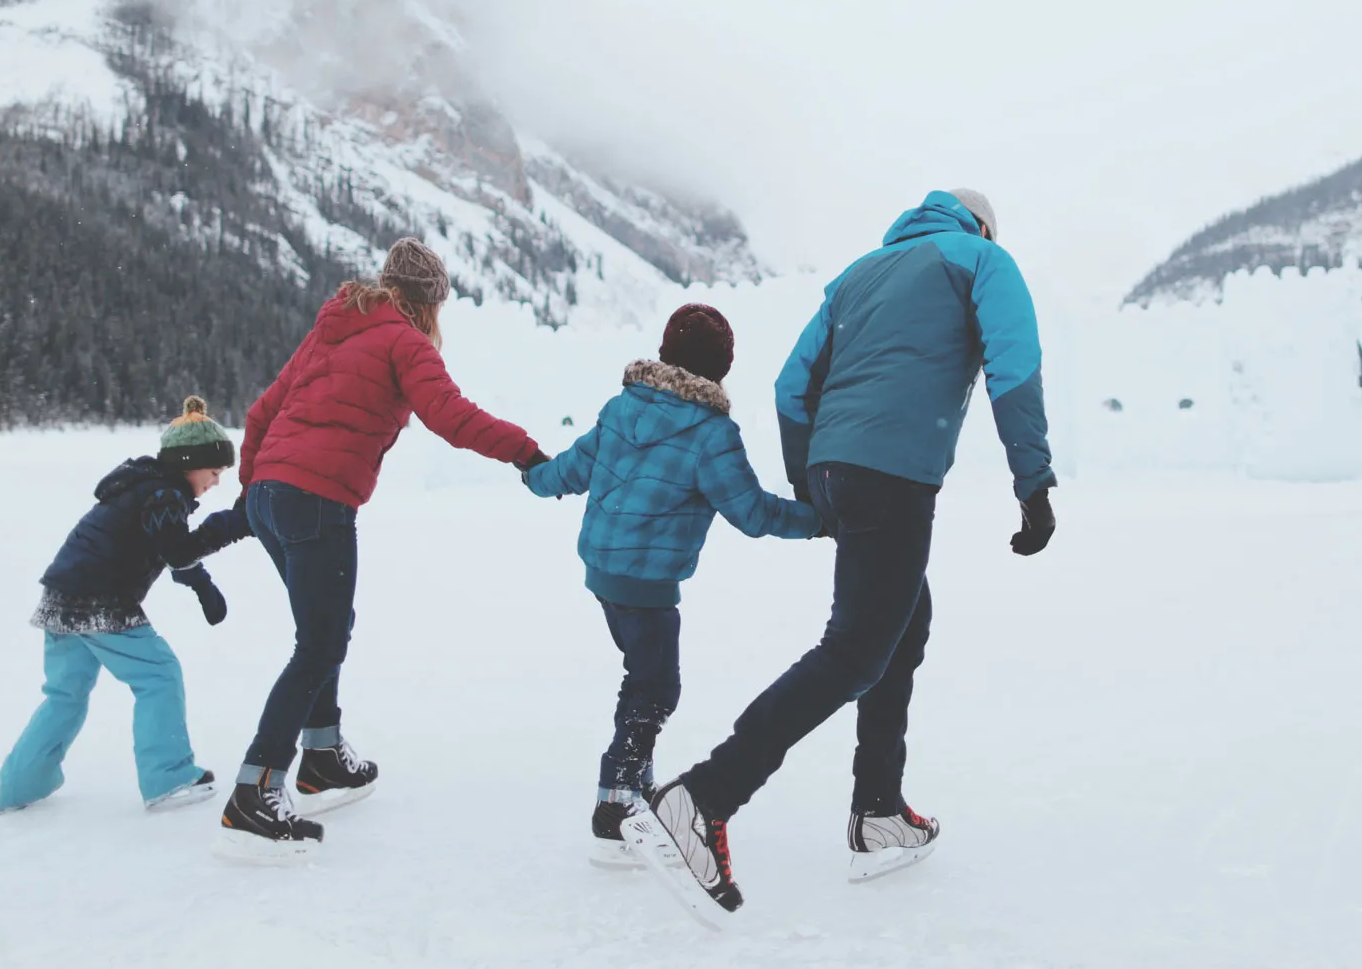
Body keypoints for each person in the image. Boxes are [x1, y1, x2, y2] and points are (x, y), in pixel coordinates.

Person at [630, 189, 1057, 915]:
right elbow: (1013, 363)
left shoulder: (856, 275)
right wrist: (1034, 483)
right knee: (856, 648)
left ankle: (880, 808)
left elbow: (792, 387)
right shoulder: (983, 258)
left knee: (904, 620)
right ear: (980, 224)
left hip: (840, 465)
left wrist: (814, 483)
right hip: (894, 471)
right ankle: (702, 796)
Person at [220, 237, 543, 857]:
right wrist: (526, 452)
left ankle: (321, 756)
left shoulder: (334, 327)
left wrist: (255, 488)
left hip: (271, 495)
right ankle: (255, 791)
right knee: (319, 643)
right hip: (315, 499)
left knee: (325, 629)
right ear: (429, 302)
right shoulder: (404, 341)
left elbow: (262, 411)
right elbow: (450, 417)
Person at [521, 304, 821, 866]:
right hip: (648, 584)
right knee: (655, 689)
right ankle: (615, 804)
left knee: (642, 676)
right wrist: (820, 520)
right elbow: (752, 514)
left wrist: (534, 474)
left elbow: (570, 469)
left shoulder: (620, 408)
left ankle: (633, 788)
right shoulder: (710, 433)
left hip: (603, 573)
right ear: (721, 369)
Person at [0, 397, 247, 814]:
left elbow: (168, 548)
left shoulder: (146, 487)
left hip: (62, 594)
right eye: (215, 472)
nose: (217, 482)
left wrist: (202, 586)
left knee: (65, 694)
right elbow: (178, 547)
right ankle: (168, 777)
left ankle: (21, 783)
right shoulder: (164, 495)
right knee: (159, 675)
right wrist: (231, 525)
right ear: (189, 463)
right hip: (100, 598)